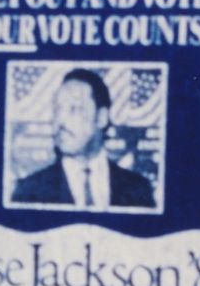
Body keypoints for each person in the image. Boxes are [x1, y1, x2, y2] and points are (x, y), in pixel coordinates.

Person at [12, 68, 155, 208]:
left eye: (74, 109)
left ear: (101, 118)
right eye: (57, 110)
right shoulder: (29, 192)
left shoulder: (138, 190)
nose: (61, 120)